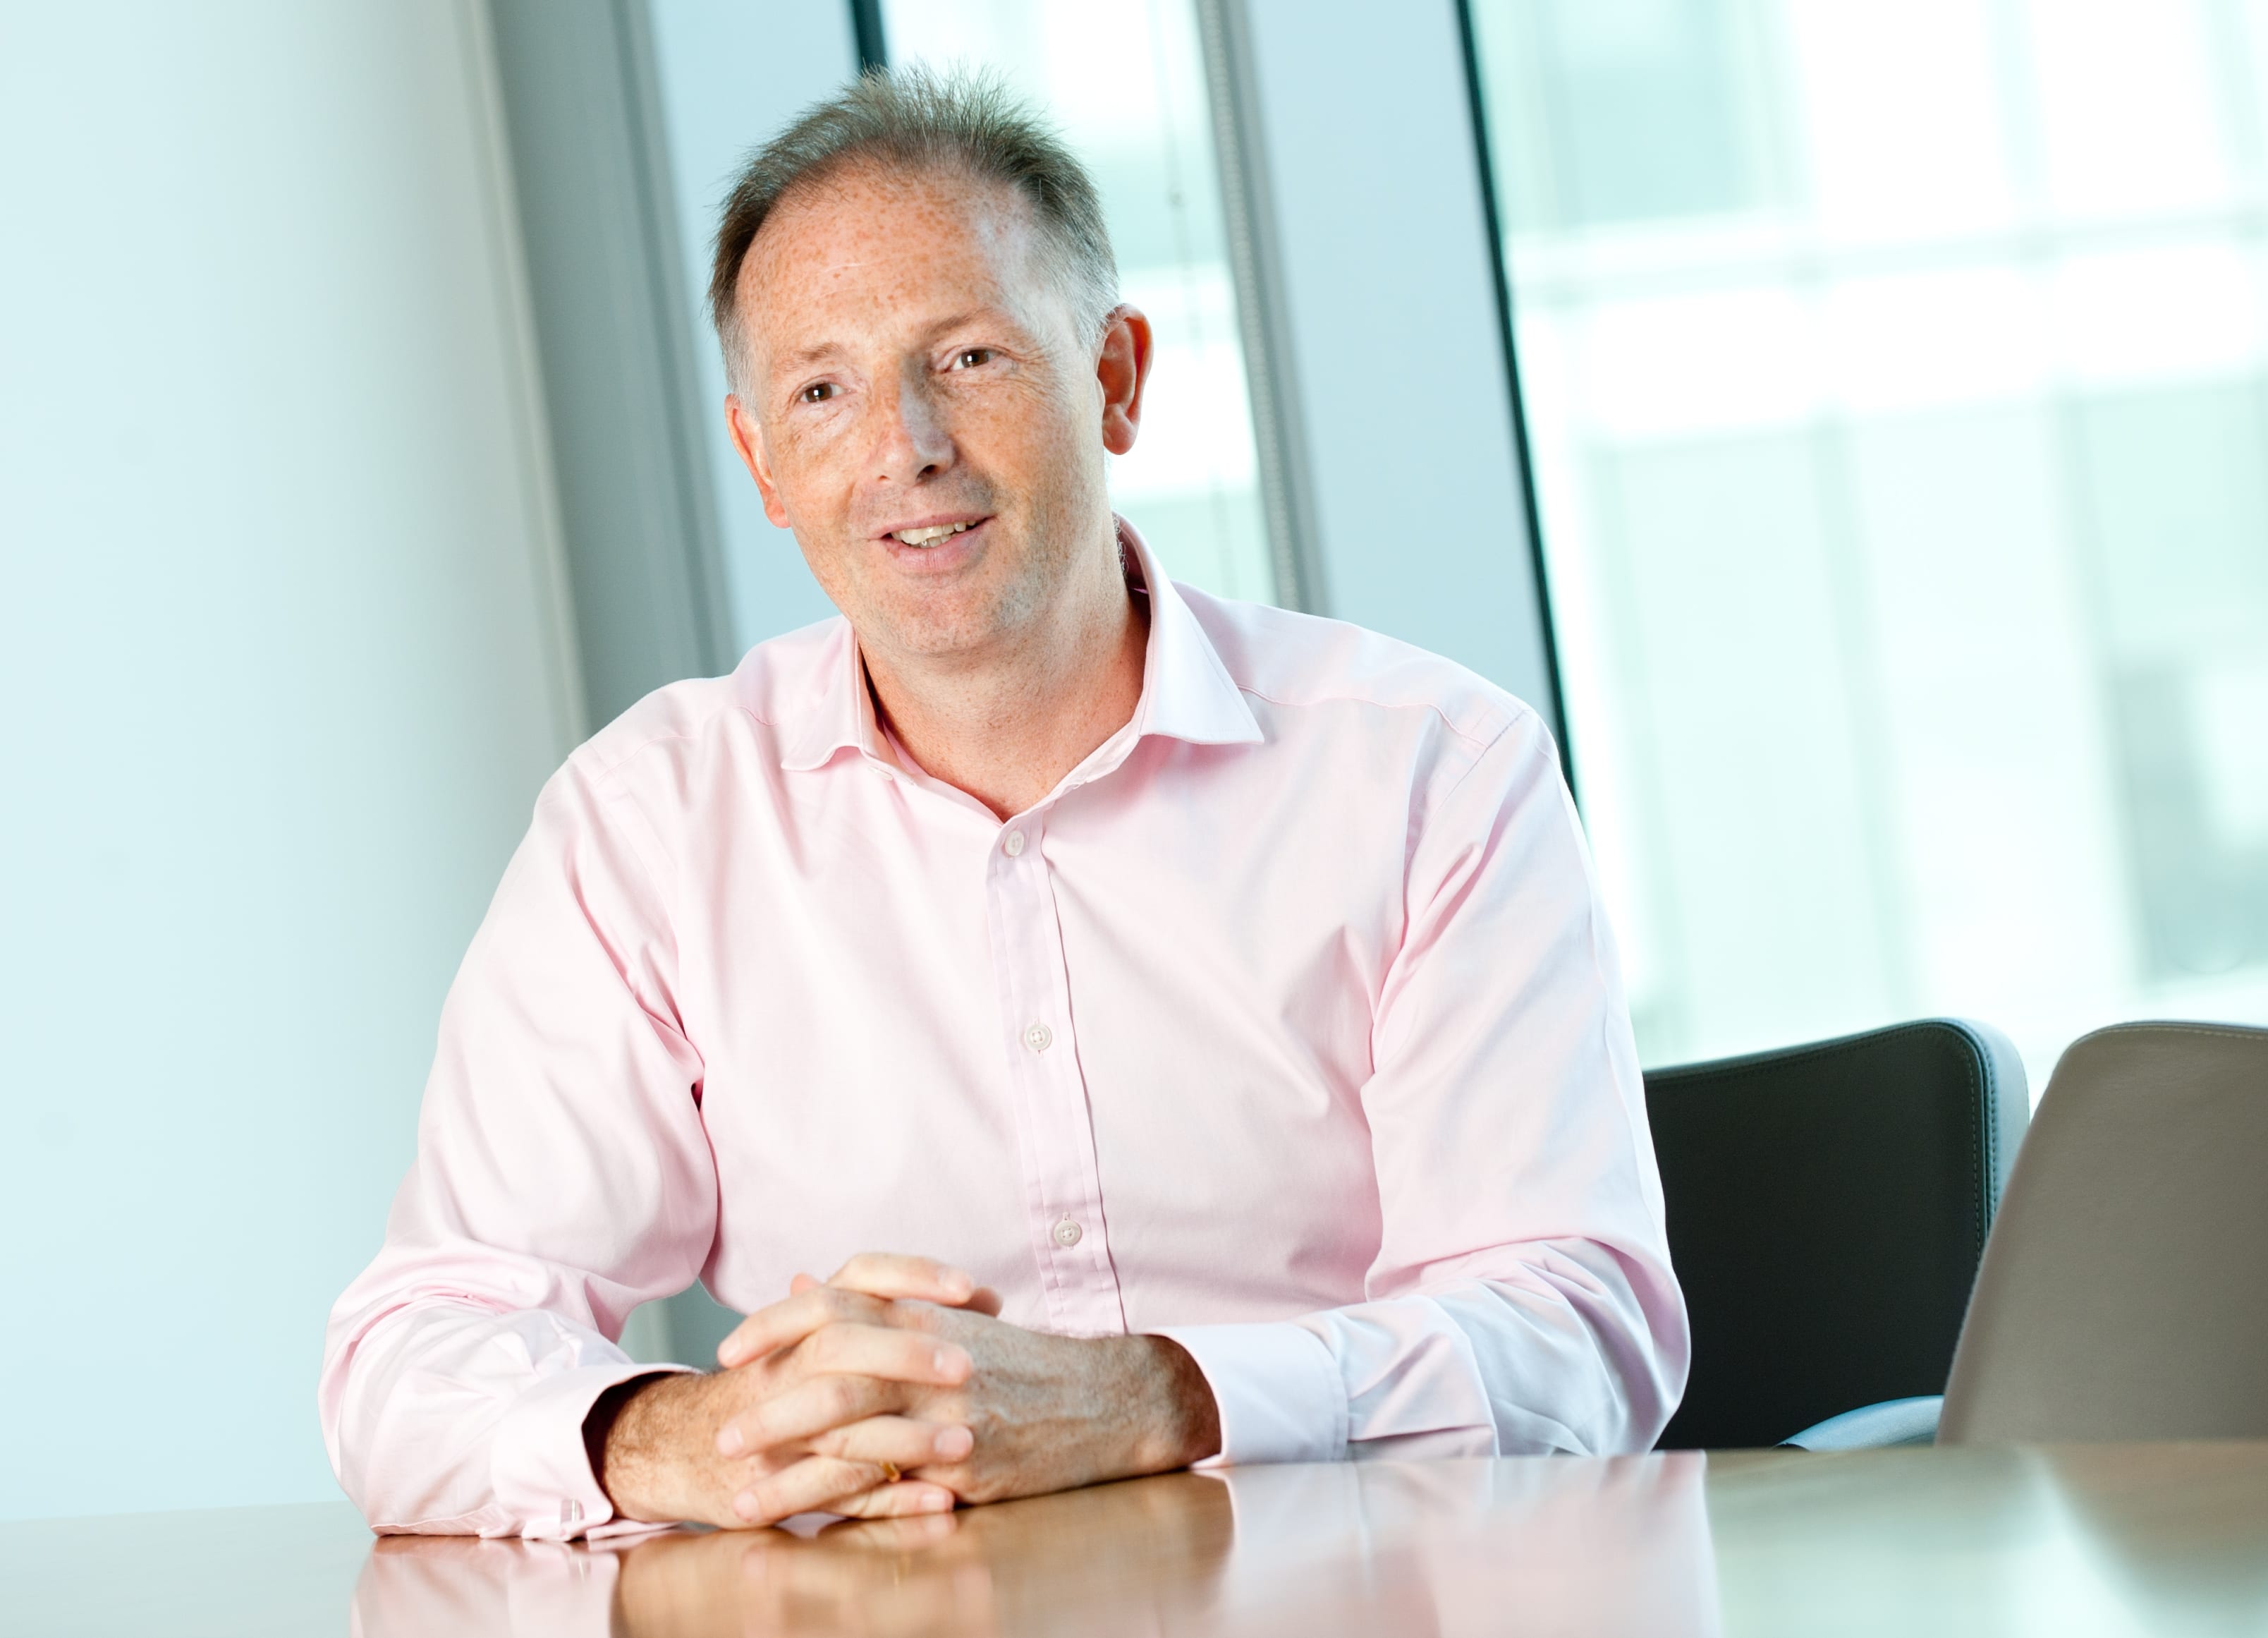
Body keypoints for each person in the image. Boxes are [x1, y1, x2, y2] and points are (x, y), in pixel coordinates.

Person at [321, 68, 1686, 1539]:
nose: (904, 445)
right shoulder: (647, 824)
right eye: (822, 390)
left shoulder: (1429, 770)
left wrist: (1151, 1399)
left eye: (968, 357)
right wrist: (693, 1437)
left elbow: (1576, 1336)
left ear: (1113, 379)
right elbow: (414, 1355)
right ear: (759, 461)